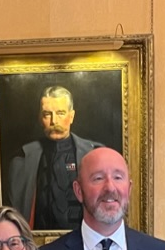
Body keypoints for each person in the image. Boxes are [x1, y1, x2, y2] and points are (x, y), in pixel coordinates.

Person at [6, 86, 103, 231]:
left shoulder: (96, 155)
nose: (54, 121)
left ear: (71, 116)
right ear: (40, 118)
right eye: (47, 114)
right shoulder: (21, 160)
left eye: (60, 113)